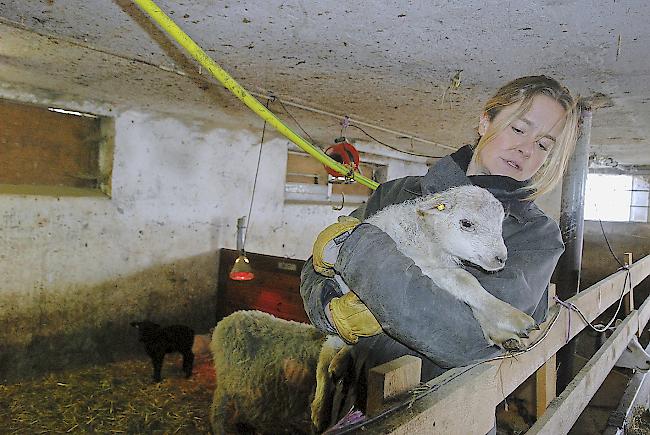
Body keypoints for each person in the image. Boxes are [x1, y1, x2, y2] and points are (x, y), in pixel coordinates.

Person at [300, 75, 580, 416]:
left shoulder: (535, 236)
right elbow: (316, 267)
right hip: (350, 400)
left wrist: (357, 246)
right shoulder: (399, 192)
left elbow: (465, 339)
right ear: (485, 121)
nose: (526, 149)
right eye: (519, 129)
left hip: (442, 412)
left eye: (544, 145)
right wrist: (330, 312)